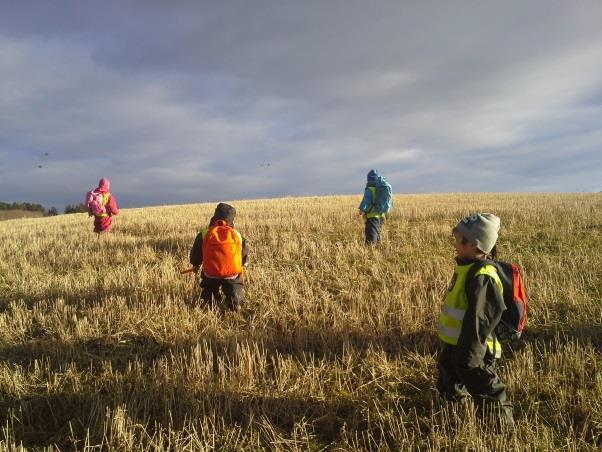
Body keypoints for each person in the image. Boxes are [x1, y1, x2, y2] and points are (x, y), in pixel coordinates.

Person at [436, 213, 514, 431]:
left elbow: (480, 320)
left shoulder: (483, 277)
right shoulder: (467, 267)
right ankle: (454, 414)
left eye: (458, 239)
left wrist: (470, 353)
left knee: (485, 387)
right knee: (448, 378)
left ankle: (500, 429)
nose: (454, 243)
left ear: (473, 245)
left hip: (475, 347)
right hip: (456, 342)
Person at [189, 203, 248, 311]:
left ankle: (208, 301)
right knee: (235, 287)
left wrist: (195, 264)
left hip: (211, 272)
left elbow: (196, 252)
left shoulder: (204, 233)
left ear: (214, 217)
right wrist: (244, 262)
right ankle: (235, 302)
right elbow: (243, 252)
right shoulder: (237, 234)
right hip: (232, 273)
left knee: (209, 287)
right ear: (232, 220)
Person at [358, 169, 391, 244]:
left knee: (371, 234)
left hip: (372, 216)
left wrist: (362, 209)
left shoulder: (370, 189)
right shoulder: (380, 189)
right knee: (377, 232)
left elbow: (366, 200)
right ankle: (378, 246)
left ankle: (370, 248)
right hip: (381, 215)